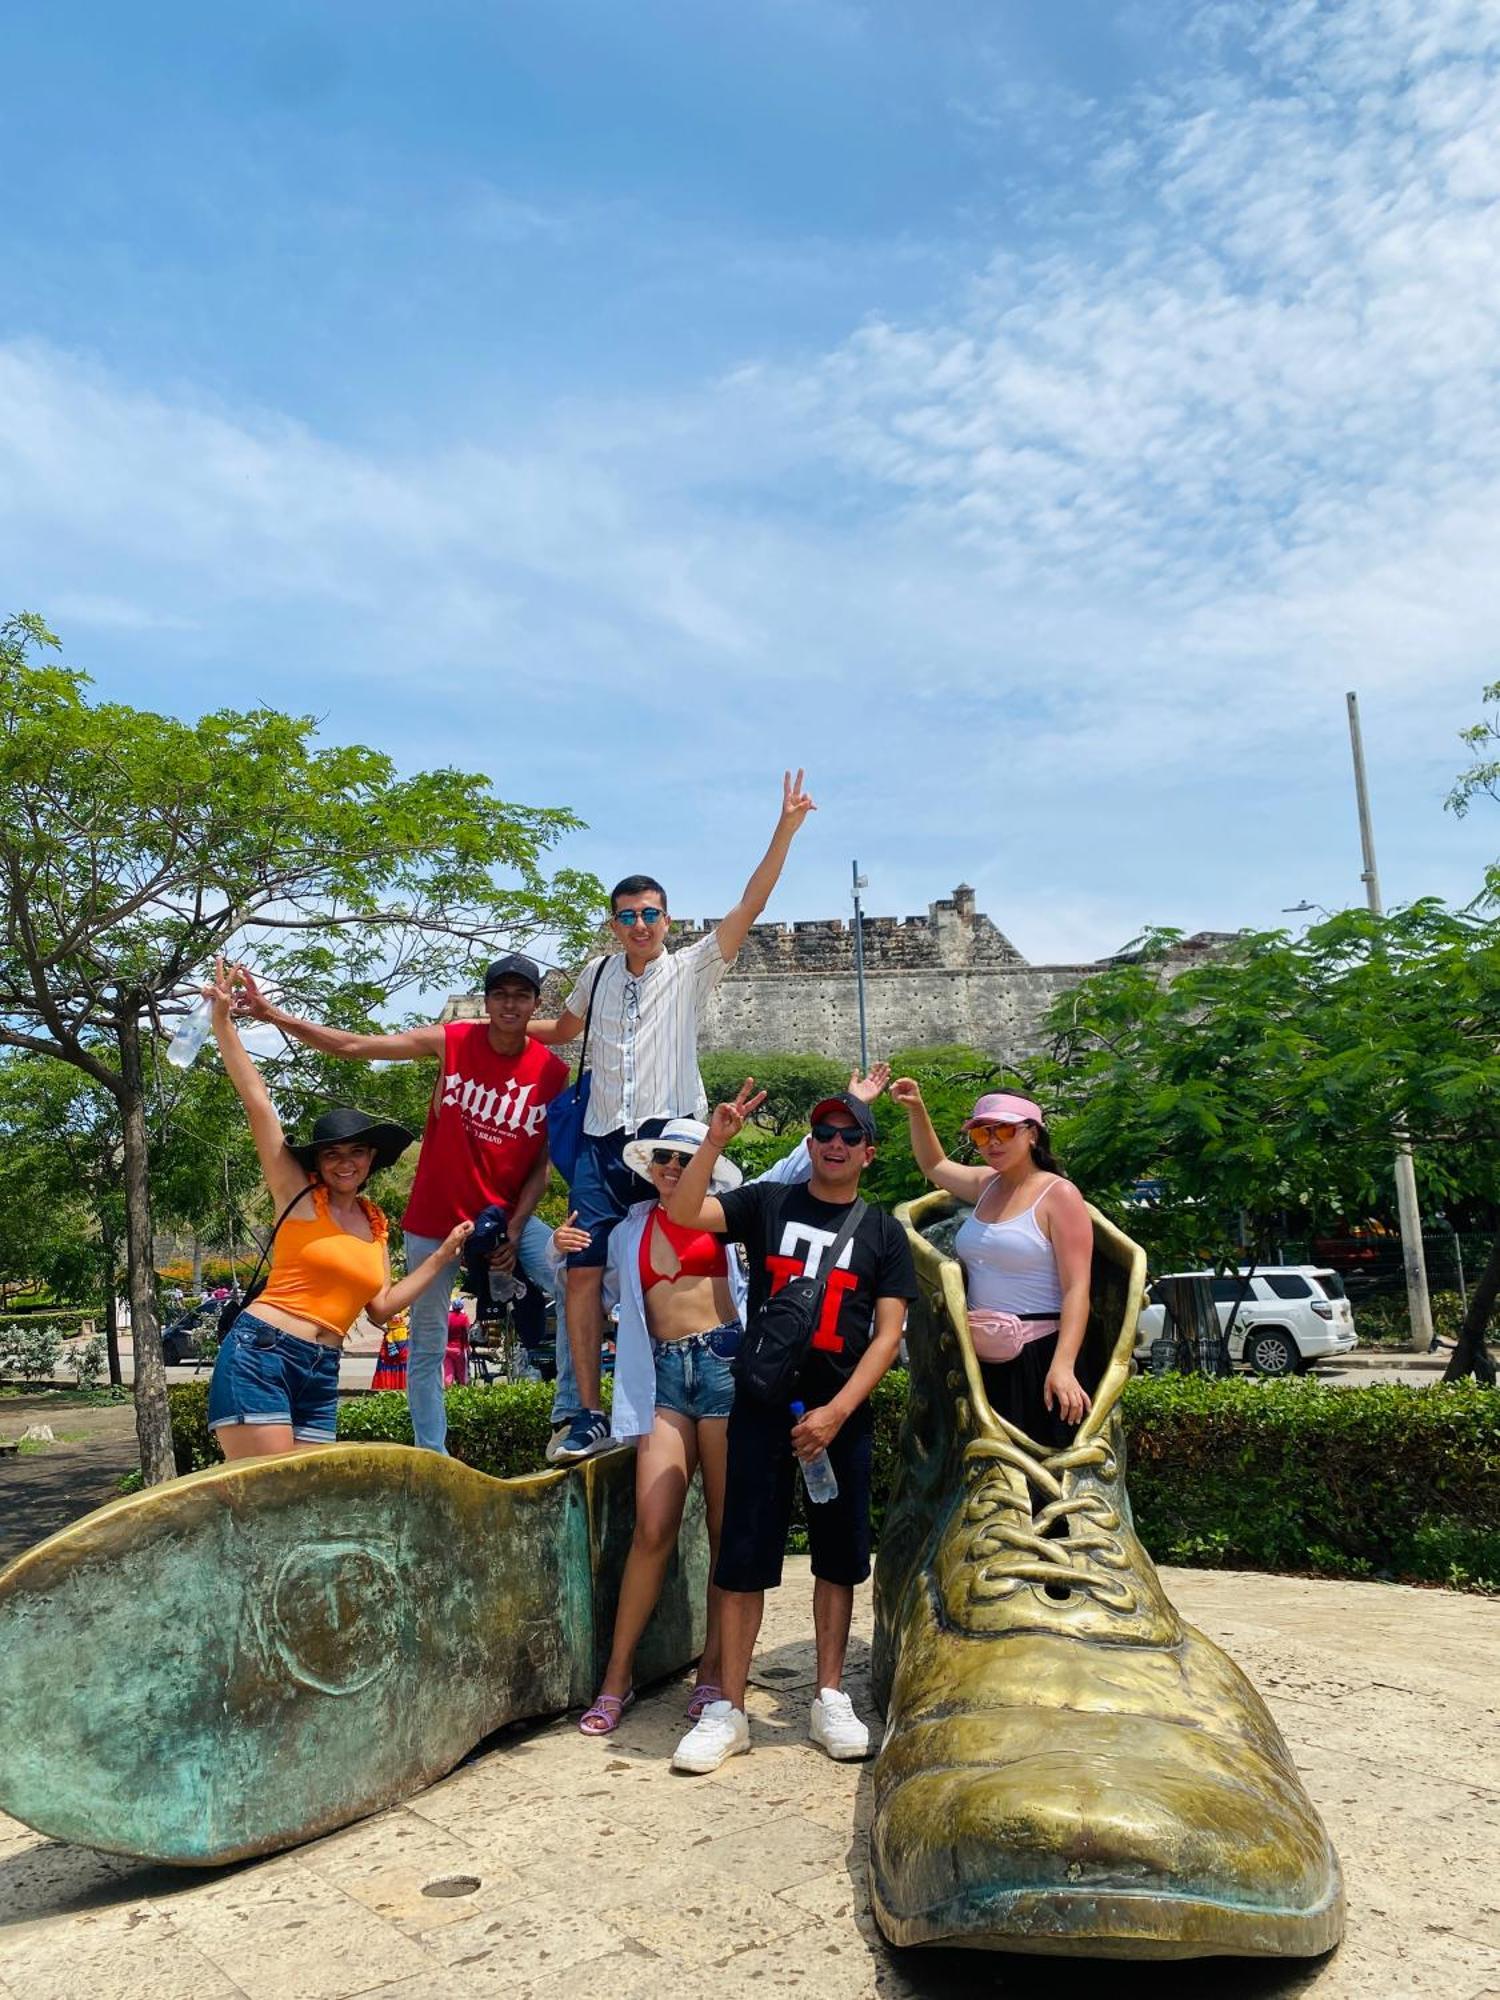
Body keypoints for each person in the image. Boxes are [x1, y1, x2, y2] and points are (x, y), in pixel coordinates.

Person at [567, 1065, 889, 1737]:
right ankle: (627, 1681)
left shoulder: (762, 1212)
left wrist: (856, 1104)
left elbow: (802, 1170)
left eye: (686, 1159)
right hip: (668, 1379)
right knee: (663, 1527)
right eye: (665, 1157)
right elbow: (586, 1298)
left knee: (736, 1536)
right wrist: (556, 1252)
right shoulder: (632, 1227)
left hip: (726, 1371)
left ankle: (723, 1679)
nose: (674, 1167)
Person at [528, 771, 817, 1465]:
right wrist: (487, 1030)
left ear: (667, 918)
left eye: (650, 914)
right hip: (602, 1143)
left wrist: (785, 829)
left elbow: (752, 902)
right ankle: (585, 1413)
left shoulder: (691, 968)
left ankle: (721, 1381)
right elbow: (563, 1028)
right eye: (626, 915)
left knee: (702, 1259)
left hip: (672, 1143)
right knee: (583, 1271)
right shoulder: (594, 974)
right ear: (612, 922)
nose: (638, 925)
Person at [662, 1080, 917, 1774]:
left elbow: (887, 1334)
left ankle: (829, 1693)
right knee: (744, 1553)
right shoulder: (769, 1203)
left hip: (840, 1414)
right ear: (809, 1145)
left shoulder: (886, 1232)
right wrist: (714, 1141)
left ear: (868, 1151)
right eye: (824, 1134)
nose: (834, 1145)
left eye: (848, 1136)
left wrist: (837, 1414)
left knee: (839, 1557)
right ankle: (730, 1707)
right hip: (764, 1404)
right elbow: (685, 1214)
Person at [231, 953, 571, 1455]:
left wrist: (518, 1231)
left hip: (504, 1219)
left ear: (535, 1004)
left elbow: (541, 1165)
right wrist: (273, 1015)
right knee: (428, 1344)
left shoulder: (551, 1072)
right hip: (435, 1222)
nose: (510, 1003)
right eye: (500, 994)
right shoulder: (453, 1040)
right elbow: (353, 1045)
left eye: (522, 995)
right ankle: (432, 1453)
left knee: (575, 1278)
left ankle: (571, 1415)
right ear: (487, 1001)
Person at [201, 961, 473, 1458]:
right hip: (264, 1353)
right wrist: (224, 1022)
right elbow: (258, 1102)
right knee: (268, 1501)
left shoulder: (375, 1225)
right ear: (318, 1161)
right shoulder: (298, 1193)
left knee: (307, 1509)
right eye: (332, 1153)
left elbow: (383, 1306)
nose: (345, 1162)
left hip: (323, 1368)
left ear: (370, 1160)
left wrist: (442, 1255)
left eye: (356, 1152)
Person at [888, 1081, 1095, 1446]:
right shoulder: (986, 1185)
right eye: (983, 1135)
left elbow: (1077, 1288)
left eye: (1004, 1130)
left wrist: (1063, 1365)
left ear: (1032, 1134)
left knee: (1037, 1481)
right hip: (977, 1357)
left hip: (1038, 1356)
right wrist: (917, 1109)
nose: (993, 1142)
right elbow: (934, 1164)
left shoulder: (1058, 1194)